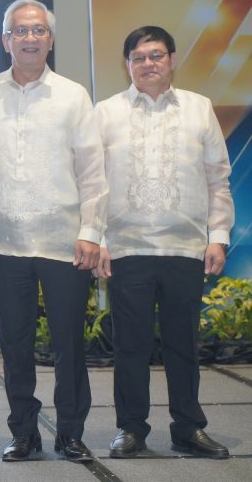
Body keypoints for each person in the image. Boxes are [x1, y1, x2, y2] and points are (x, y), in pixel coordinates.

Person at [0, 0, 108, 463]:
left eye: (38, 30)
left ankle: (70, 432)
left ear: (50, 39)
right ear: (5, 40)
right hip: (6, 242)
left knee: (69, 343)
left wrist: (91, 231)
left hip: (65, 242)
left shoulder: (73, 96)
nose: (29, 38)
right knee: (15, 345)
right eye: (20, 31)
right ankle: (24, 432)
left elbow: (92, 171)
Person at [93, 26, 232, 460]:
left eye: (155, 55)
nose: (148, 64)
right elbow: (93, 183)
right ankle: (131, 429)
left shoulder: (199, 108)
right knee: (130, 346)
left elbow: (218, 178)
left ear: (172, 59)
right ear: (127, 65)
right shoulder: (106, 112)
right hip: (127, 247)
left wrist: (218, 235)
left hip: (185, 248)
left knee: (182, 345)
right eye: (138, 57)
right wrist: (97, 239)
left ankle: (188, 428)